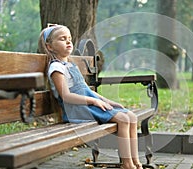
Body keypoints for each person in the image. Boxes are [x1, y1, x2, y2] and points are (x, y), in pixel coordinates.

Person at [38, 24, 142, 169]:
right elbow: (66, 96)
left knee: (132, 117)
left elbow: (87, 90)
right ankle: (127, 164)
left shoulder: (70, 65)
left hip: (87, 104)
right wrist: (93, 101)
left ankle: (136, 162)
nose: (68, 42)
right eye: (62, 39)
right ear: (49, 47)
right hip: (76, 109)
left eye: (69, 38)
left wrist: (107, 101)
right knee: (124, 119)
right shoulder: (56, 68)